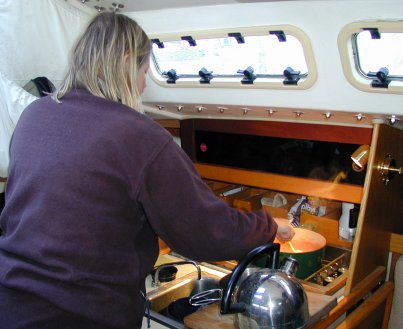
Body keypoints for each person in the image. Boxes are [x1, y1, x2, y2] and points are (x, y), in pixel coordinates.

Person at [0, 12, 294, 329]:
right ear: (127, 61)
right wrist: (267, 227)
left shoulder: (35, 115)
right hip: (81, 313)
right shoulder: (139, 135)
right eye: (143, 71)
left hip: (11, 301)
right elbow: (203, 233)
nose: (142, 85)